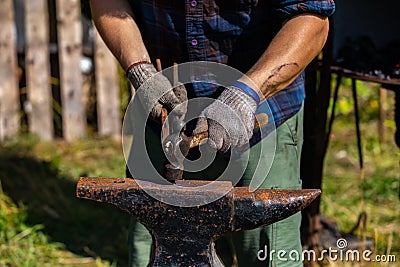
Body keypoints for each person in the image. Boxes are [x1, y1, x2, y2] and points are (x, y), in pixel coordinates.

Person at [90, 0, 335, 266]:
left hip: (262, 120)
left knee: (268, 256)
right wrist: (139, 68)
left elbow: (312, 21)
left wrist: (246, 94)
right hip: (163, 116)